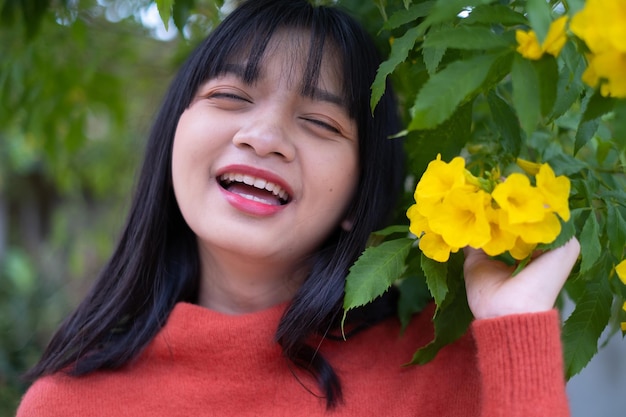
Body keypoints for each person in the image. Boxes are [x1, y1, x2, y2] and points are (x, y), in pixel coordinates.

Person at [16, 0, 580, 416]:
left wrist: (516, 326)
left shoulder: (447, 366)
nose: (263, 137)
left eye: (320, 123)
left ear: (360, 197)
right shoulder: (67, 404)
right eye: (230, 97)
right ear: (171, 139)